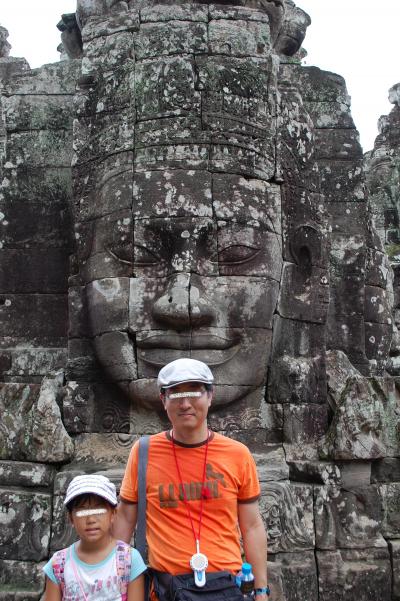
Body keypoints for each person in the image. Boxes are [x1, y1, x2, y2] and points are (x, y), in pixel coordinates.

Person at [113, 358, 270, 600]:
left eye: (194, 391)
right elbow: (124, 518)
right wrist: (113, 581)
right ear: (163, 400)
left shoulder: (237, 454)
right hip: (166, 589)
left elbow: (251, 526)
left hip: (226, 587)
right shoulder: (143, 452)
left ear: (210, 396)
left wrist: (261, 590)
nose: (185, 403)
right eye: (175, 394)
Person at [43, 474, 146, 600]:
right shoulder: (58, 565)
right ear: (71, 518)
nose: (91, 519)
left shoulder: (129, 560)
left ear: (113, 514)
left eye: (99, 510)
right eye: (82, 511)